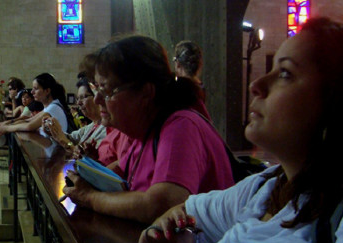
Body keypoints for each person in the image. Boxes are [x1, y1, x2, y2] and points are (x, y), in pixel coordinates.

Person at [101, 18, 343, 243]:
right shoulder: (264, 187)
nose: (257, 84)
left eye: (285, 74)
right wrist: (157, 239)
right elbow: (181, 213)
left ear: (338, 100)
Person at [62, 35, 234, 224]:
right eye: (97, 90)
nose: (97, 100)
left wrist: (89, 197)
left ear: (146, 92)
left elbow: (159, 205)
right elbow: (118, 171)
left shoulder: (180, 127)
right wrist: (86, 177)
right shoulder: (145, 131)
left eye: (107, 91)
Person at [0, 73, 75, 136]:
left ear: (47, 91)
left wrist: (6, 128)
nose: (32, 92)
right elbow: (28, 120)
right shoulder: (51, 106)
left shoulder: (53, 108)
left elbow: (29, 126)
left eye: (36, 89)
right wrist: (3, 124)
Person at [45, 77, 107, 155]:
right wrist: (52, 130)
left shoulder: (106, 129)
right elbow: (71, 138)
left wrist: (66, 143)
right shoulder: (92, 125)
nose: (79, 103)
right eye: (78, 98)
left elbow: (91, 159)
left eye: (84, 97)